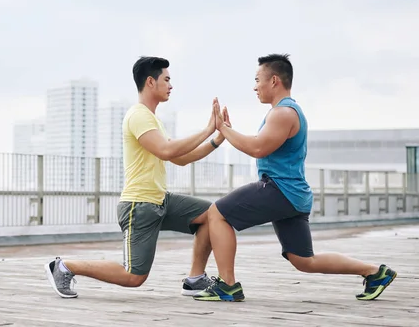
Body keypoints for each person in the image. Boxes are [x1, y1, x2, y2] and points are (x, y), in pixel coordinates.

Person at [193, 54, 397, 302]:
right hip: (293, 196)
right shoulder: (284, 112)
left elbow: (258, 148)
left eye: (258, 80)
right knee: (303, 260)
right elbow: (259, 145)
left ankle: (228, 285)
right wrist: (226, 129)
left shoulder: (283, 113)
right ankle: (374, 272)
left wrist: (223, 128)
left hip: (279, 190)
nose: (255, 86)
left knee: (217, 213)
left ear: (274, 80)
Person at [45, 56, 229, 298]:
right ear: (151, 82)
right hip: (139, 205)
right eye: (167, 79)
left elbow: (181, 158)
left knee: (211, 214)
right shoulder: (138, 115)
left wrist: (217, 139)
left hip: (160, 200)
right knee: (134, 276)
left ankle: (195, 279)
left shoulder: (153, 120)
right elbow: (166, 150)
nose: (171, 86)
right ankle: (65, 266)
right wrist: (207, 129)